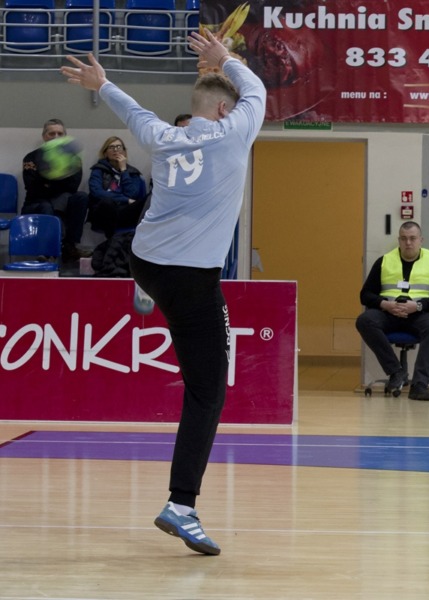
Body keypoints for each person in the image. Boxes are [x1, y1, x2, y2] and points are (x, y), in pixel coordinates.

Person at [60, 29, 266, 554]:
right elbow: (258, 90)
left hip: (145, 261)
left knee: (159, 272)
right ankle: (182, 504)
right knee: (207, 391)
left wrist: (103, 84)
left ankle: (147, 293)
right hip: (190, 278)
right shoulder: (234, 134)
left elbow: (134, 114)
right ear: (224, 111)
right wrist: (225, 57)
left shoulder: (163, 136)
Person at [356, 221, 429, 401]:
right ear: (399, 240)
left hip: (418, 314)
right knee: (364, 321)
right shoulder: (384, 261)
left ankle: (419, 385)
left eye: (412, 238)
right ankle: (396, 371)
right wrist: (385, 304)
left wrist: (418, 305)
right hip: (388, 314)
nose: (408, 243)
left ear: (421, 240)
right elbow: (365, 295)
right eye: (404, 239)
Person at [21, 118, 89, 262]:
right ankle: (47, 250)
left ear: (65, 136)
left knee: (81, 197)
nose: (56, 137)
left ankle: (70, 245)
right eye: (52, 133)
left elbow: (73, 186)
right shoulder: (31, 157)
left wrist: (47, 182)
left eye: (60, 133)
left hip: (63, 200)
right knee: (47, 206)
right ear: (44, 136)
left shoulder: (73, 158)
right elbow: (32, 186)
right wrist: (59, 181)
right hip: (36, 202)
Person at [88, 136, 146, 237]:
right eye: (111, 147)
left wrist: (124, 170)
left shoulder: (133, 172)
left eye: (119, 147)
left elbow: (132, 194)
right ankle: (112, 240)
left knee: (150, 197)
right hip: (103, 213)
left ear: (124, 151)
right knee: (107, 202)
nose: (115, 150)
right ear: (105, 153)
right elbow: (96, 192)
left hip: (125, 212)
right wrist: (125, 199)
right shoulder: (98, 170)